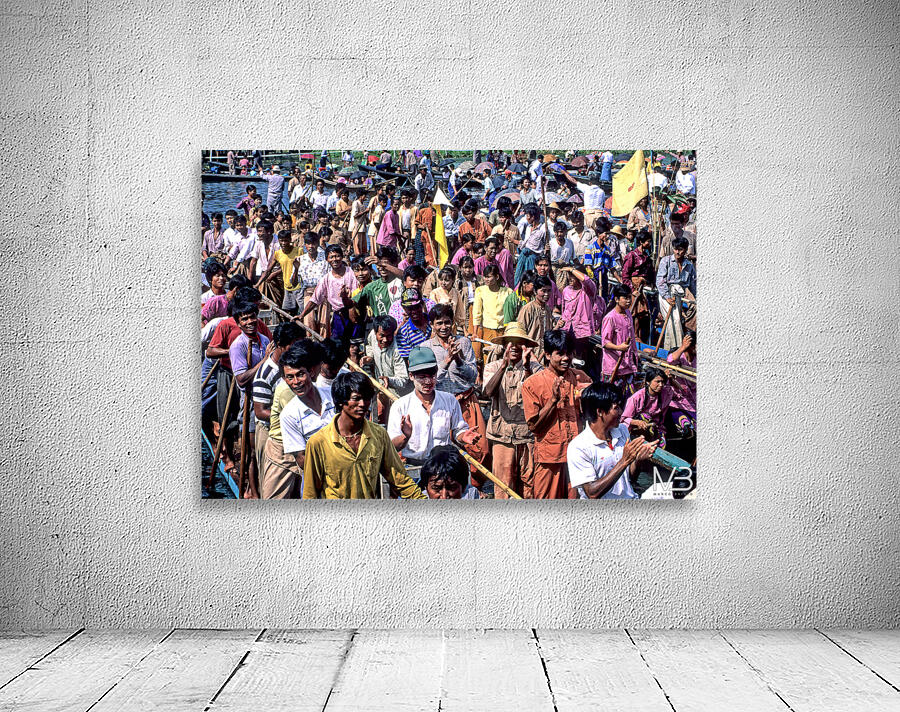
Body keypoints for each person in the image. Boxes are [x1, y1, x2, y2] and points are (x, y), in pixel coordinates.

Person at [302, 372, 425, 499]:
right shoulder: (318, 442)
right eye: (356, 398)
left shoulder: (378, 435)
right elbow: (310, 493)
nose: (362, 404)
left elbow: (400, 478)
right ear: (340, 401)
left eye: (366, 398)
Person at [521, 330, 593, 499]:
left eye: (569, 353)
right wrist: (553, 401)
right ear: (547, 355)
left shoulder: (581, 378)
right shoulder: (532, 384)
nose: (566, 358)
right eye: (559, 354)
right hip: (549, 459)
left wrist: (588, 397)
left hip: (578, 459)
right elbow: (533, 427)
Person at [387, 347, 481, 476]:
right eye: (422, 377)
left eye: (431, 376)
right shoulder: (400, 406)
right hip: (413, 469)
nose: (428, 382)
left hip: (443, 467)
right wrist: (406, 436)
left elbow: (459, 430)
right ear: (411, 376)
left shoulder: (449, 400)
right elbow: (391, 446)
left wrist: (463, 436)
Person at [567, 381, 658, 499]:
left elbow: (629, 478)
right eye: (616, 408)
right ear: (599, 412)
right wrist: (625, 460)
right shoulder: (578, 447)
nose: (621, 412)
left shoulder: (622, 431)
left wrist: (638, 460)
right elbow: (592, 493)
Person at [483, 323, 541, 498]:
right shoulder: (493, 367)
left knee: (529, 486)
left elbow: (538, 396)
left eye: (519, 342)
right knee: (503, 486)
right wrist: (503, 366)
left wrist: (527, 368)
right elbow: (487, 392)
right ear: (503, 346)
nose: (514, 347)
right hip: (502, 435)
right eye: (510, 342)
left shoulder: (536, 369)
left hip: (527, 435)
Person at [260, 339, 323, 499]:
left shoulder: (324, 392)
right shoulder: (288, 394)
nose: (295, 382)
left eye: (301, 375)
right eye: (290, 377)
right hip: (282, 450)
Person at [252, 322, 303, 494]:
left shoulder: (293, 367)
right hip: (269, 434)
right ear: (280, 345)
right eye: (294, 345)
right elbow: (260, 410)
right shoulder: (266, 373)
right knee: (271, 485)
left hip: (289, 433)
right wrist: (289, 417)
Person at [297, 244, 359, 343]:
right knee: (337, 345)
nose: (335, 259)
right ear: (327, 259)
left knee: (355, 344)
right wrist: (302, 315)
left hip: (354, 313)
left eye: (337, 256)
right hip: (338, 316)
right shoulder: (326, 279)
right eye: (331, 257)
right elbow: (315, 299)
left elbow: (358, 295)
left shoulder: (351, 273)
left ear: (342, 257)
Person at [556, 266, 603, 365]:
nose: (570, 278)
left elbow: (586, 280)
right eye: (569, 276)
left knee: (579, 358)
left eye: (573, 276)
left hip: (581, 330)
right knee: (565, 355)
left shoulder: (587, 291)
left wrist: (571, 269)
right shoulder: (566, 290)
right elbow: (564, 310)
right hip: (567, 328)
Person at [656, 236, 696, 350]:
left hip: (678, 295)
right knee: (674, 321)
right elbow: (660, 281)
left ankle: (670, 350)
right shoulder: (666, 261)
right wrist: (668, 297)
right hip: (666, 294)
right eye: (676, 249)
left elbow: (693, 284)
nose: (678, 252)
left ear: (685, 249)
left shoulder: (688, 265)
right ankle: (677, 349)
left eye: (681, 249)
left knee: (674, 322)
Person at [622, 366, 675, 448]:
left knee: (662, 444)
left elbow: (675, 391)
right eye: (657, 381)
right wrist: (637, 422)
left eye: (662, 382)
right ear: (648, 382)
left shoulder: (665, 394)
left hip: (656, 427)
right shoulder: (636, 397)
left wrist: (670, 379)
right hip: (636, 429)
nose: (661, 385)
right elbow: (624, 419)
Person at [600, 284, 639, 393]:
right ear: (617, 299)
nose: (628, 301)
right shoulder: (610, 318)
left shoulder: (628, 313)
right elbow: (605, 343)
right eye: (625, 298)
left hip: (628, 364)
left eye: (629, 298)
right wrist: (619, 347)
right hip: (614, 366)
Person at [472, 264, 513, 364]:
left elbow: (512, 314)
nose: (486, 279)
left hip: (504, 331)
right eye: (485, 276)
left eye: (489, 276)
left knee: (505, 358)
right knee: (489, 358)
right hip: (488, 330)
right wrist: (475, 332)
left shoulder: (508, 292)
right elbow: (477, 313)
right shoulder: (480, 290)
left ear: (497, 277)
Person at [259, 228, 303, 315]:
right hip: (287, 286)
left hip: (299, 287)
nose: (283, 243)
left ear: (290, 240)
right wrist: (258, 283)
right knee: (289, 312)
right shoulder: (278, 253)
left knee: (303, 311)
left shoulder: (298, 251)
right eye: (281, 241)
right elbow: (268, 270)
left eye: (286, 241)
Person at [352, 246, 403, 318]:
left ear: (394, 263)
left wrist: (381, 263)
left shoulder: (401, 281)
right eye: (378, 264)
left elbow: (407, 276)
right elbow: (353, 302)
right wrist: (344, 298)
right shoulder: (372, 287)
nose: (381, 267)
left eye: (385, 263)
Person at [621, 230, 655, 338]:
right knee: (633, 313)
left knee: (641, 314)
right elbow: (625, 276)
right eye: (647, 242)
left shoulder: (647, 257)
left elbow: (650, 274)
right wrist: (632, 289)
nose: (649, 244)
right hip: (634, 288)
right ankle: (632, 336)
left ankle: (638, 336)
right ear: (641, 242)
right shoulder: (632, 256)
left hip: (643, 287)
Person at [666, 330, 696, 436]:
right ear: (691, 347)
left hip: (694, 400)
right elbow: (670, 361)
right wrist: (683, 347)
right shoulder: (680, 358)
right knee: (685, 424)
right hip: (679, 401)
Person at [395, 288, 432, 359]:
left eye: (416, 307)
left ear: (422, 304)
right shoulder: (403, 333)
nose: (414, 311)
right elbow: (408, 359)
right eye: (410, 308)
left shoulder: (434, 321)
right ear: (403, 308)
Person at [514, 203, 546, 286]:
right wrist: (514, 241)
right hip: (523, 255)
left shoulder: (543, 229)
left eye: (528, 215)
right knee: (519, 277)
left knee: (531, 280)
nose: (526, 218)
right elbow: (525, 243)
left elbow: (545, 244)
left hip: (533, 257)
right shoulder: (528, 228)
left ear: (533, 217)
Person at [429, 266, 467, 333]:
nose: (443, 283)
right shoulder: (434, 293)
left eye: (446, 280)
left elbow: (460, 312)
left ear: (452, 280)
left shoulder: (456, 293)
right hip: (439, 328)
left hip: (452, 328)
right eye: (441, 280)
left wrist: (465, 330)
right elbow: (432, 312)